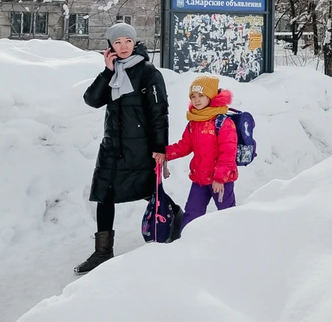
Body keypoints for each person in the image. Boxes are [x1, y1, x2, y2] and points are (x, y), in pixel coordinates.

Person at [75, 23, 169, 274]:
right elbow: (92, 100)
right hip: (112, 147)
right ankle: (103, 251)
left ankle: (176, 221)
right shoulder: (113, 71)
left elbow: (159, 113)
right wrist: (106, 72)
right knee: (104, 195)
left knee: (152, 193)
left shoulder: (148, 72)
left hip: (140, 148)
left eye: (128, 40)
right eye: (118, 42)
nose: (124, 46)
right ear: (110, 47)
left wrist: (161, 147)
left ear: (135, 42)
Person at [165, 75, 238, 228]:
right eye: (193, 96)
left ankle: (233, 239)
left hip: (221, 181)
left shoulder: (223, 123)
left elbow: (228, 153)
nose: (196, 100)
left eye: (201, 96)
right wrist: (165, 154)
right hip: (200, 179)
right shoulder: (194, 123)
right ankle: (184, 242)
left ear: (210, 97)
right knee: (192, 214)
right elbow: (184, 146)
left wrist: (220, 178)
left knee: (227, 214)